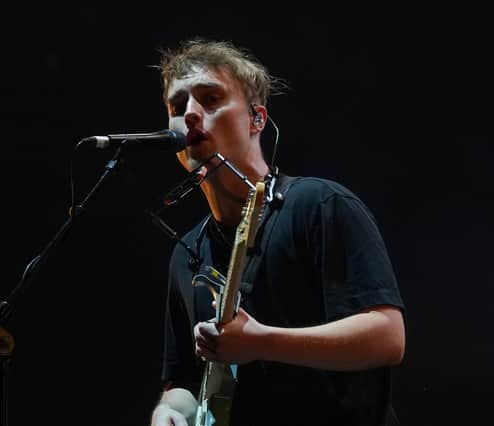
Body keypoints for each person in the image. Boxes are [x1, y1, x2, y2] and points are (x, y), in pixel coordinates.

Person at [150, 38, 405, 426]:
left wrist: (259, 342)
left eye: (211, 98)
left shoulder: (319, 205)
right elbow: (184, 380)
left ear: (257, 119)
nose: (190, 114)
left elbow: (386, 337)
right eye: (177, 105)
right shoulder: (186, 254)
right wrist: (168, 411)